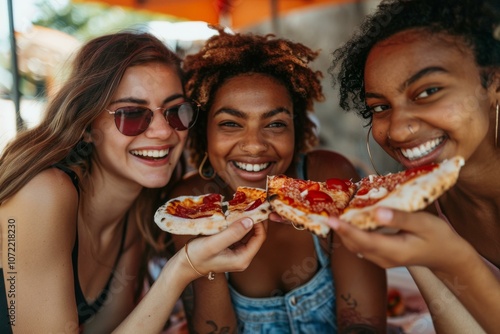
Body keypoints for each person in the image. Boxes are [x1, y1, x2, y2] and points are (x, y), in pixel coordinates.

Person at [0, 31, 266, 333]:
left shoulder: (139, 209)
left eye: (175, 111)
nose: (164, 132)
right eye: (132, 114)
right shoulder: (42, 193)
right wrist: (182, 269)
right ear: (86, 126)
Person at [167, 28, 387, 333]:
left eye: (275, 124)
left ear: (296, 130)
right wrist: (211, 251)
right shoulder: (193, 207)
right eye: (230, 123)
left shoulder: (326, 181)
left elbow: (363, 326)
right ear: (204, 132)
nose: (255, 145)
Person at [328, 0, 500, 332]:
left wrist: (457, 261)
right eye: (379, 107)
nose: (396, 130)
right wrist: (418, 246)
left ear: (493, 84)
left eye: (428, 91)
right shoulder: (423, 203)